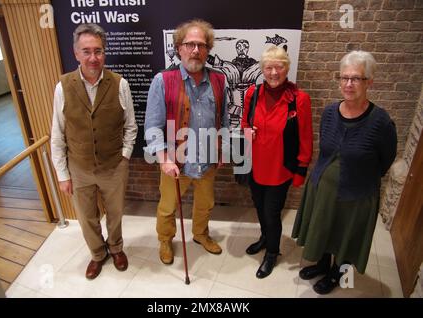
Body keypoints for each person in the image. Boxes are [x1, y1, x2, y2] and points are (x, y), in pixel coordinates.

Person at [292, 50, 397, 295]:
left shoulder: (381, 122)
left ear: (370, 82)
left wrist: (358, 176)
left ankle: (338, 273)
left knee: (346, 236)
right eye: (344, 77)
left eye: (356, 78)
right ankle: (322, 263)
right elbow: (325, 148)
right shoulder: (330, 112)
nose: (349, 84)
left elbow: (386, 159)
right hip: (323, 189)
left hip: (357, 195)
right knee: (324, 228)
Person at [51, 23, 138, 279]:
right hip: (79, 168)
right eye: (86, 51)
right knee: (87, 217)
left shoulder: (120, 84)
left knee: (115, 213)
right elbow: (57, 133)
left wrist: (124, 156)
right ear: (76, 53)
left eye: (98, 51)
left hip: (114, 166)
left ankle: (116, 248)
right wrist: (62, 174)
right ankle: (98, 255)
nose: (93, 57)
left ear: (104, 53)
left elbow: (130, 126)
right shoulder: (63, 87)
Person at [144, 19, 229, 265]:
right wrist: (163, 159)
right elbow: (152, 125)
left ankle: (200, 234)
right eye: (189, 44)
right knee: (168, 206)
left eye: (201, 45)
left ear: (208, 49)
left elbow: (222, 119)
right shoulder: (163, 80)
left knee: (206, 204)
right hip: (175, 161)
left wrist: (221, 148)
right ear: (179, 47)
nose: (195, 50)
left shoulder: (219, 80)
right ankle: (165, 239)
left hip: (207, 159)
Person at [241, 46, 313, 278]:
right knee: (260, 207)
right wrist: (246, 131)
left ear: (287, 68)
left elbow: (305, 137)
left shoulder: (299, 99)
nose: (273, 72)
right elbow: (244, 123)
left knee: (272, 212)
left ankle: (272, 252)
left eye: (279, 67)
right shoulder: (252, 93)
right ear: (262, 69)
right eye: (269, 67)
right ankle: (265, 237)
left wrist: (301, 169)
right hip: (255, 164)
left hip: (280, 168)